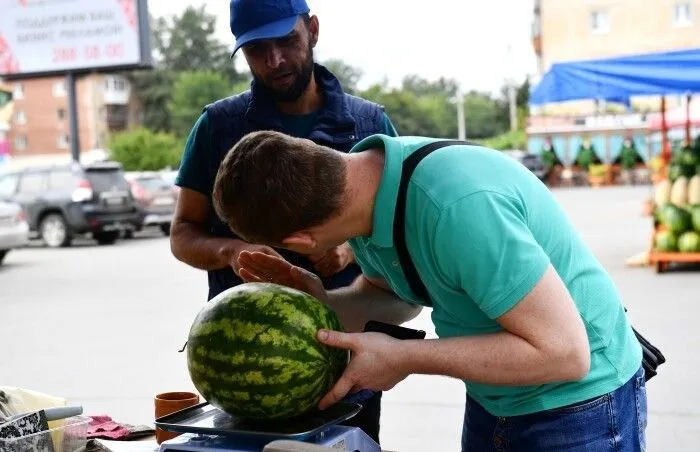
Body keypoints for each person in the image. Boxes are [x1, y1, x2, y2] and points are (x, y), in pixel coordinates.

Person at [211, 131, 647, 451]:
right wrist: (321, 301)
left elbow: (564, 354)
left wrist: (404, 358)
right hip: (496, 397)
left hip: (579, 405)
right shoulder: (361, 196)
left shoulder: (456, 207)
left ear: (302, 239)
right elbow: (397, 299)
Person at [169, 0, 408, 443]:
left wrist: (351, 245)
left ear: (313, 30)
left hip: (349, 350)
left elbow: (402, 230)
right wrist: (232, 250)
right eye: (258, 49)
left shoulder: (368, 124)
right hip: (247, 362)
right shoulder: (217, 127)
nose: (275, 60)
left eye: (287, 41)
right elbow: (182, 234)